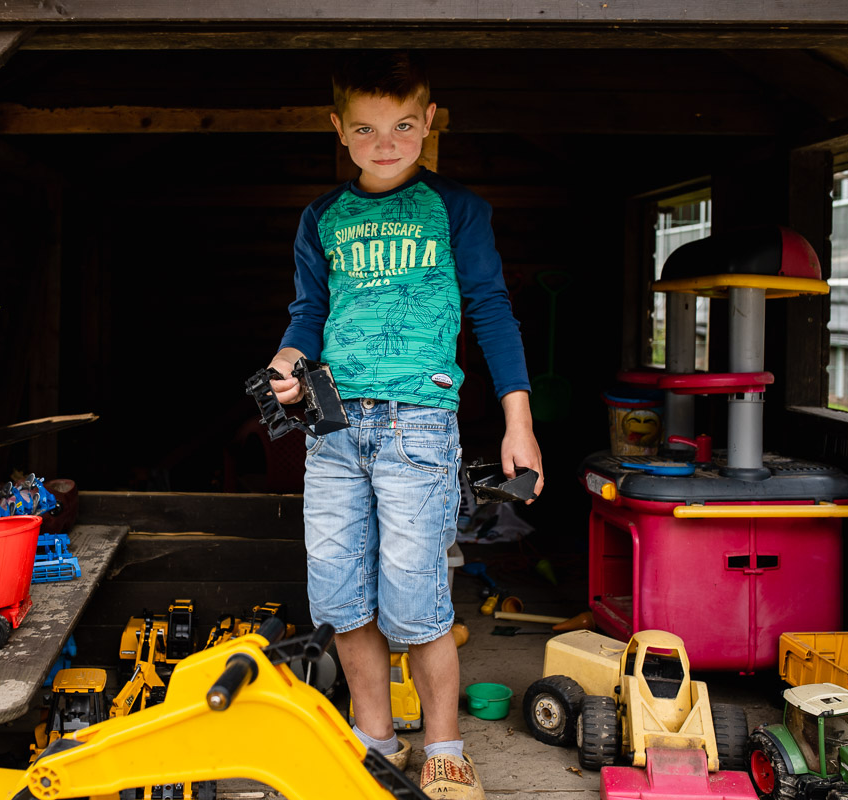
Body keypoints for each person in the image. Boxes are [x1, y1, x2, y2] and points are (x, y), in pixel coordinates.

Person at [266, 51, 543, 800]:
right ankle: (375, 738)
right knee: (339, 593)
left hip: (418, 427)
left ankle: (445, 747)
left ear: (428, 124)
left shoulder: (456, 210)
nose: (385, 142)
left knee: (416, 597)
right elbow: (308, 315)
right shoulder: (320, 218)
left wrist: (519, 423)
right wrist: (288, 361)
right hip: (329, 429)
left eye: (403, 126)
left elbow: (490, 310)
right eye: (365, 129)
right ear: (339, 130)